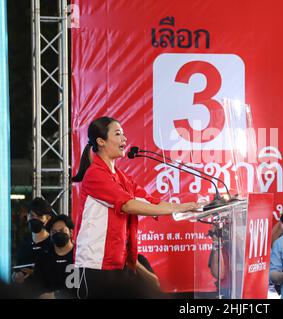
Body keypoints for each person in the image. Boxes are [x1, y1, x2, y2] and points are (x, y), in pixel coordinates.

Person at [72, 116, 201, 298]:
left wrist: (186, 206)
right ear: (101, 141)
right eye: (118, 134)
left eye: (124, 134)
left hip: (118, 262)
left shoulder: (120, 176)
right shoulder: (95, 175)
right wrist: (177, 209)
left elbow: (148, 200)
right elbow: (128, 205)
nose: (124, 139)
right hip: (95, 264)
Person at [12, 197, 53, 291]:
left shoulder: (53, 244)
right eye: (31, 215)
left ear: (47, 218)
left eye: (39, 217)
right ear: (27, 217)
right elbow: (16, 270)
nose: (34, 219)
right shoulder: (23, 245)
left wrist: (36, 273)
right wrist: (15, 276)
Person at [31, 214, 75, 299]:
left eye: (62, 230)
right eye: (54, 232)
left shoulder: (80, 257)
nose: (58, 234)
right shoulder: (43, 258)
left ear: (71, 232)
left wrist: (56, 296)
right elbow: (36, 287)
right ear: (50, 234)